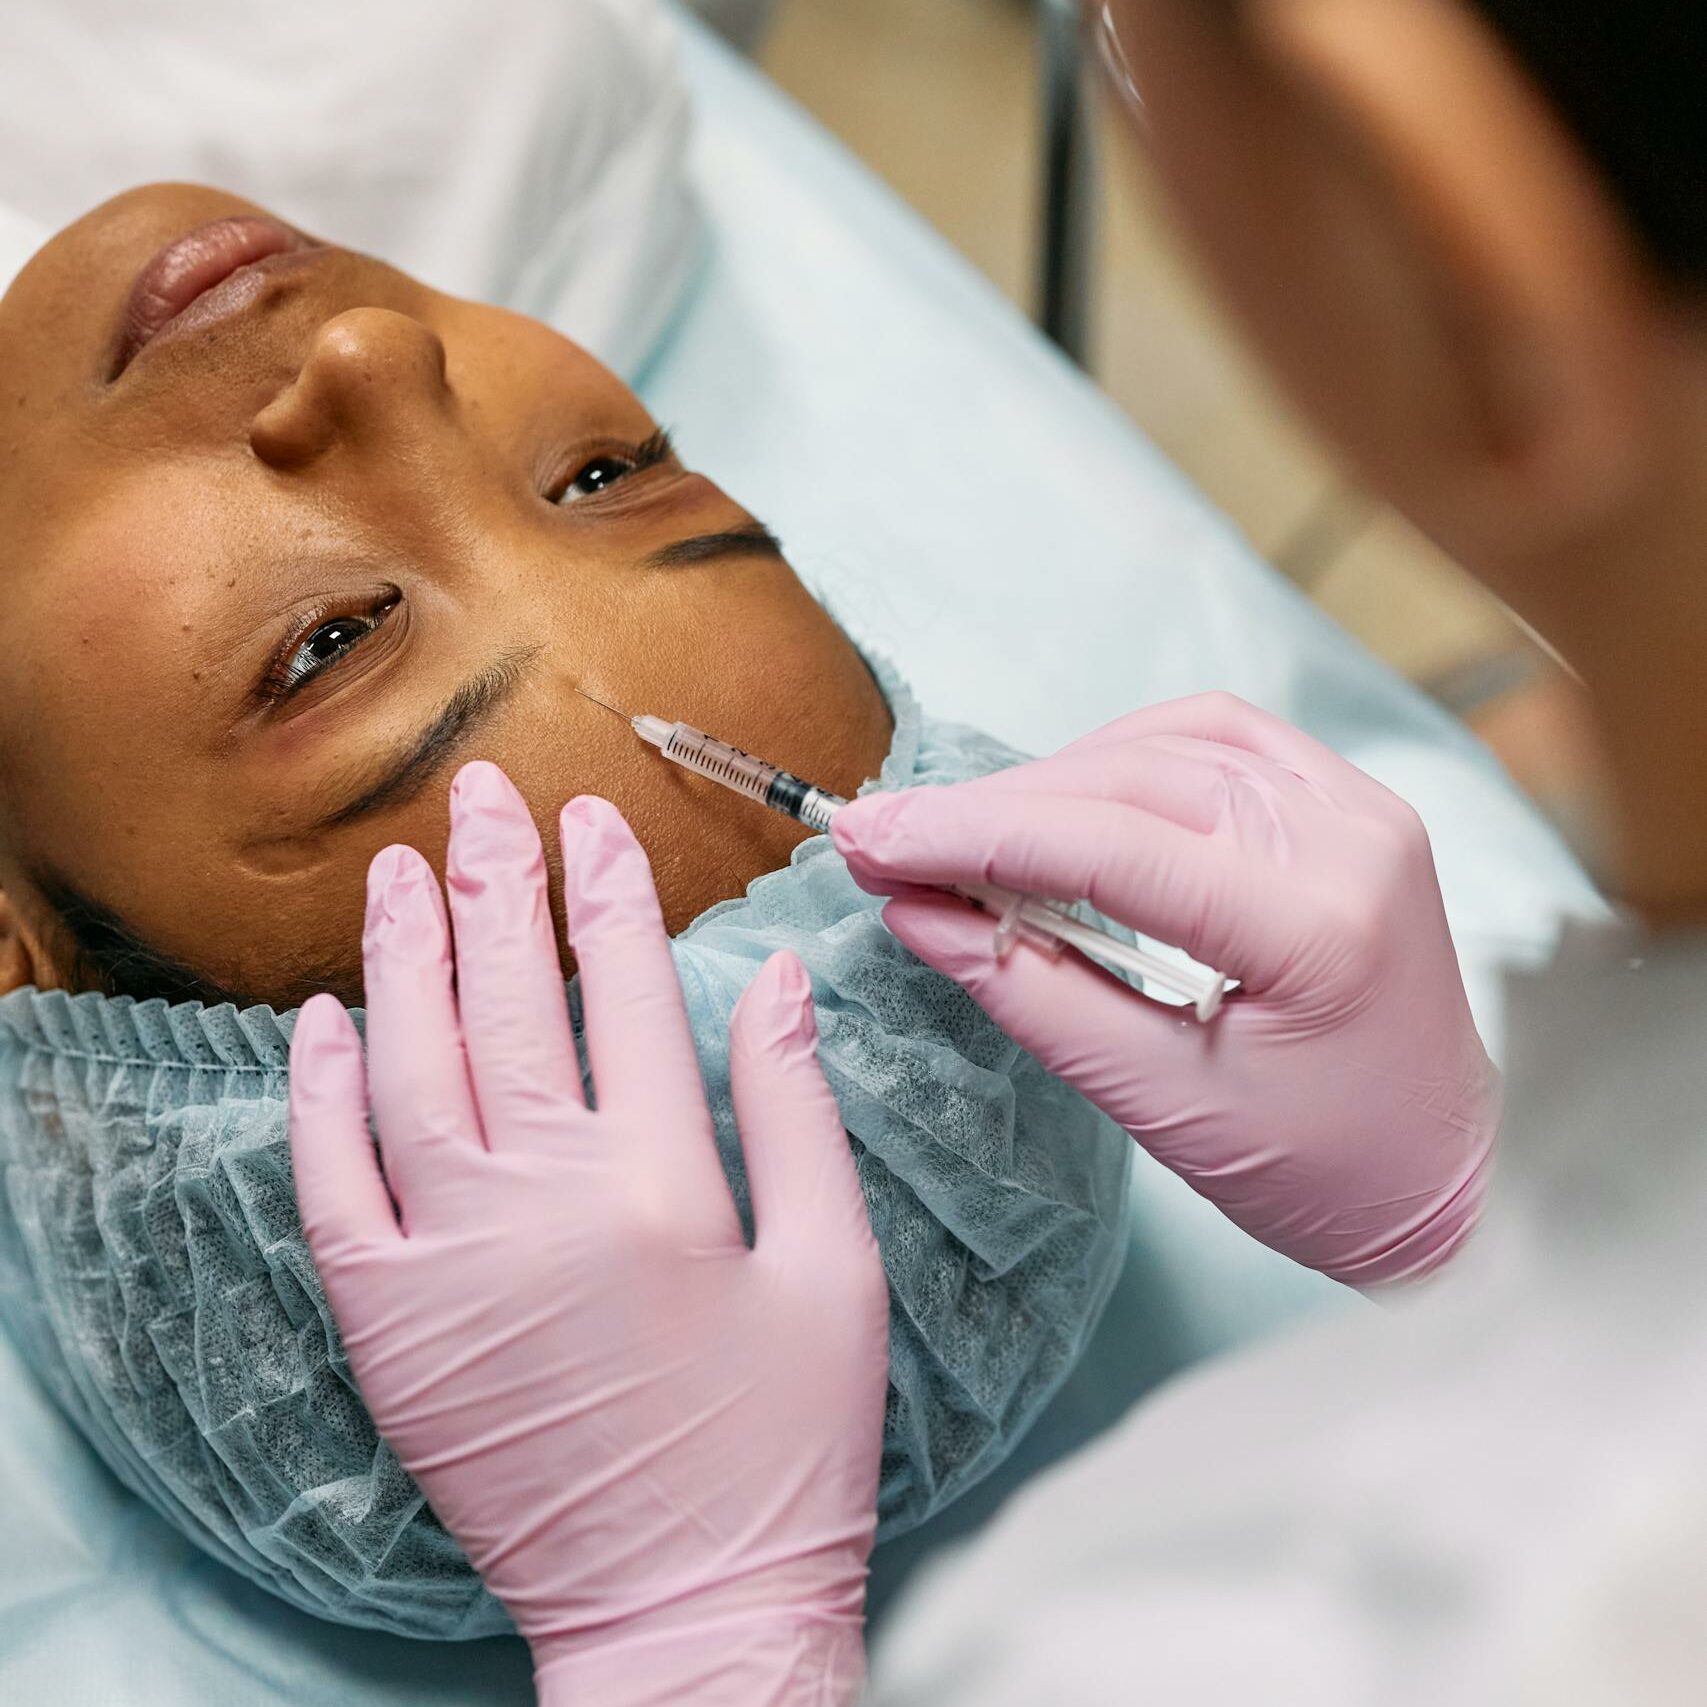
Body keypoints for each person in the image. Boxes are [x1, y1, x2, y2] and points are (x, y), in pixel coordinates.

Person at [289, 0, 1707, 1699]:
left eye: (1127, 28)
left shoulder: (1231, 1641)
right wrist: (1481, 1223)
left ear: (1442, 222)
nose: (372, 358)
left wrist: (697, 1653)